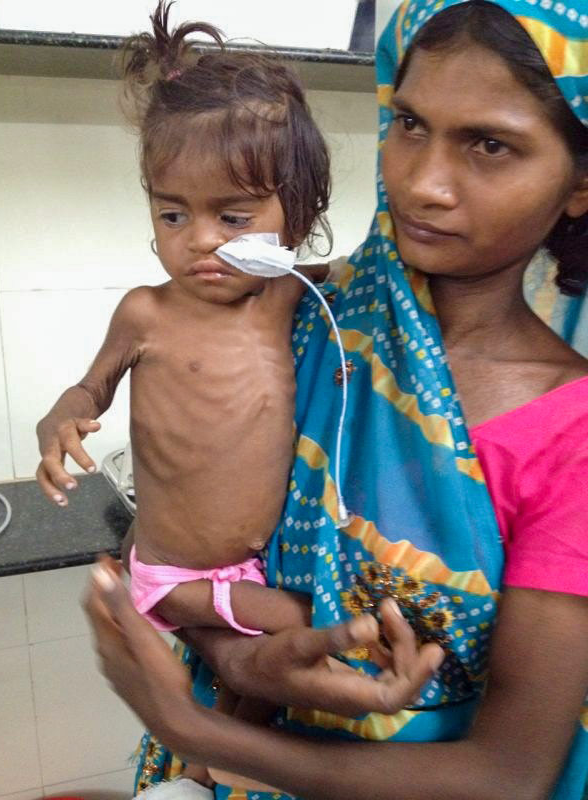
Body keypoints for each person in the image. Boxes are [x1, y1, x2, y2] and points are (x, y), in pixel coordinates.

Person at [85, 1, 588, 798]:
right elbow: (188, 527)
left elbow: (510, 774)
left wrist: (197, 728)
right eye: (411, 124)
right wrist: (242, 660)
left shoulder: (571, 437)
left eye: (489, 145)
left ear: (580, 185)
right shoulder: (305, 314)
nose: (423, 182)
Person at [36, 2, 442, 796]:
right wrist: (64, 416)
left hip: (247, 567)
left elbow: (372, 270)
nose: (201, 241)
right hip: (165, 574)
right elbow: (91, 386)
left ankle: (209, 758)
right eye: (172, 213)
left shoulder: (290, 301)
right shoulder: (146, 312)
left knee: (283, 643)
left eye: (234, 215)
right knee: (291, 628)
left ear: (294, 220)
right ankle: (210, 753)